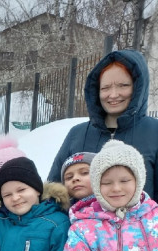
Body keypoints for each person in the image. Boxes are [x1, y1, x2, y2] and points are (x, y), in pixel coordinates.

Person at [48, 49, 158, 199]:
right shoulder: (77, 134)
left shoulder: (154, 132)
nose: (113, 94)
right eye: (105, 88)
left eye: (123, 85)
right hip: (81, 222)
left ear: (138, 87)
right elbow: (54, 192)